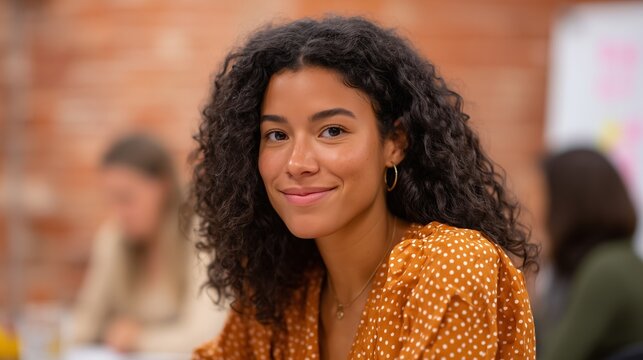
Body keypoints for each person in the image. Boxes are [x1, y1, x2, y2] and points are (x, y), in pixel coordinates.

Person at [190, 16, 538, 359]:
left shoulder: (450, 265)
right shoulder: (281, 291)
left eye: (332, 131)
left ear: (394, 144)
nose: (297, 163)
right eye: (277, 135)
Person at [71, 134, 227, 353]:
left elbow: (206, 337)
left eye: (126, 198)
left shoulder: (201, 232)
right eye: (111, 200)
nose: (118, 213)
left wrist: (139, 338)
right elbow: (85, 324)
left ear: (162, 187)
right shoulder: (113, 238)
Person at [539, 149, 643, 360]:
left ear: (566, 206)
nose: (534, 209)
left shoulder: (607, 269)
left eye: (542, 197)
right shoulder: (617, 259)